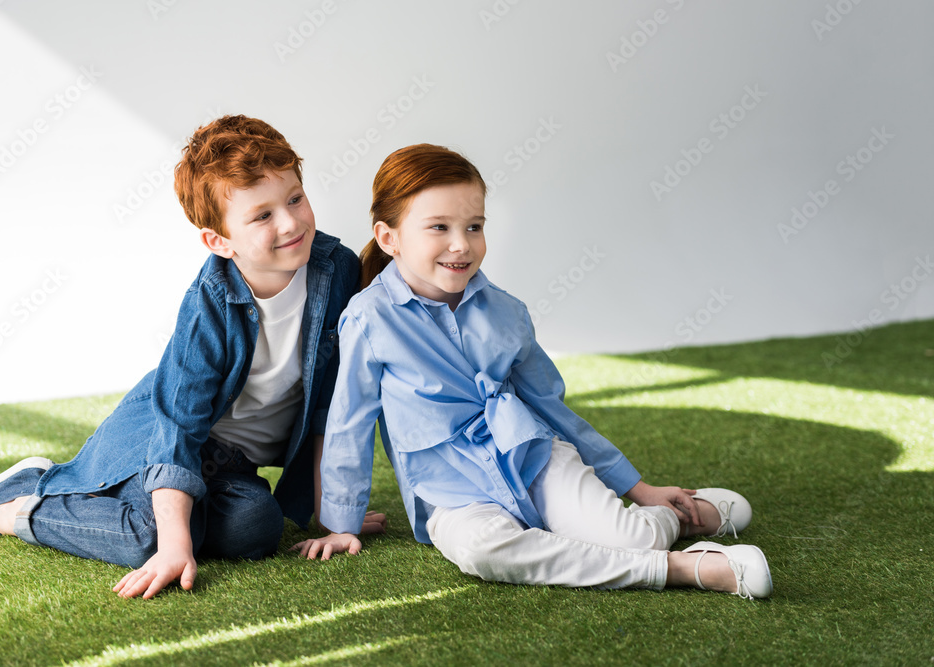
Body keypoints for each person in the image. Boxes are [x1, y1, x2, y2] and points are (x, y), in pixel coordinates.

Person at [293, 144, 772, 599]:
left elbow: (552, 409)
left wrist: (638, 488)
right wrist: (341, 522)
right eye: (438, 227)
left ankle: (675, 519)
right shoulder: (368, 318)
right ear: (388, 237)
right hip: (451, 494)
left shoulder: (507, 313)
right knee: (483, 552)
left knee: (635, 536)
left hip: (536, 461)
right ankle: (682, 568)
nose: (462, 245)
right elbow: (348, 421)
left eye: (475, 226)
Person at [0, 115, 385, 599]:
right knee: (150, 539)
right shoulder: (210, 302)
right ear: (218, 241)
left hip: (230, 464)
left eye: (294, 198)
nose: (290, 222)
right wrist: (174, 544)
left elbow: (326, 406)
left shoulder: (337, 271)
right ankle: (12, 502)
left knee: (257, 526)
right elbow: (178, 425)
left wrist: (333, 512)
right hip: (159, 432)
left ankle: (175, 514)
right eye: (262, 215)